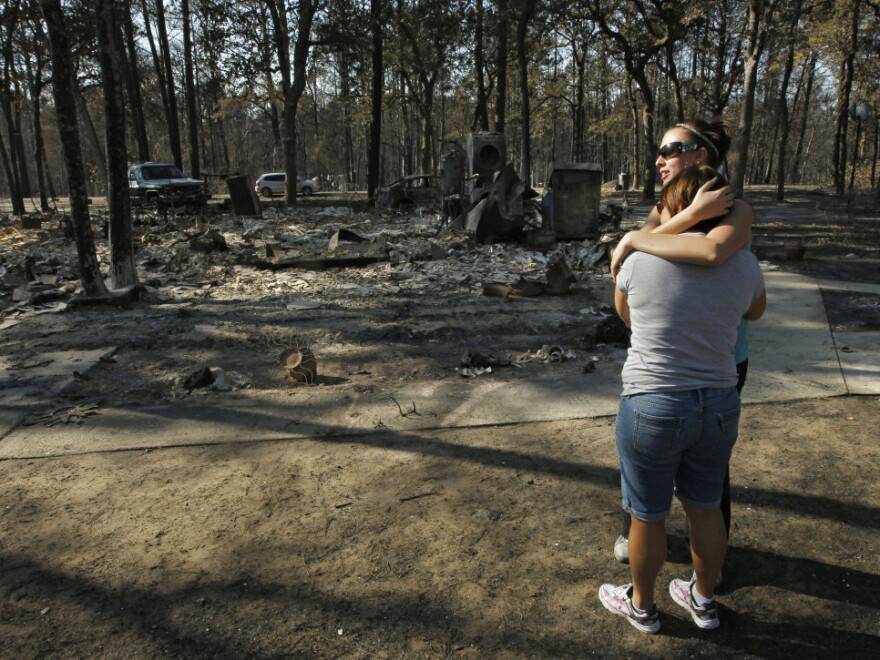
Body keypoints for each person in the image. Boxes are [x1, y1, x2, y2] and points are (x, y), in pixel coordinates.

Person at [598, 165, 766, 633]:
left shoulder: (635, 261)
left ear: (674, 207)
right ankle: (704, 598)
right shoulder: (744, 263)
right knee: (705, 505)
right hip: (718, 401)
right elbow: (756, 309)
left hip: (652, 402)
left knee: (647, 514)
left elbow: (626, 316)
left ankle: (643, 608)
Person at [609, 117, 754, 566]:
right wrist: (682, 219)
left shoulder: (737, 208)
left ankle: (710, 567)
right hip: (664, 353)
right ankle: (640, 535)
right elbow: (638, 254)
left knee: (709, 468)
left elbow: (710, 252)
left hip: (720, 358)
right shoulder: (666, 206)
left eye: (671, 149)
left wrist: (636, 238)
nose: (660, 159)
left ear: (701, 155)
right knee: (650, 459)